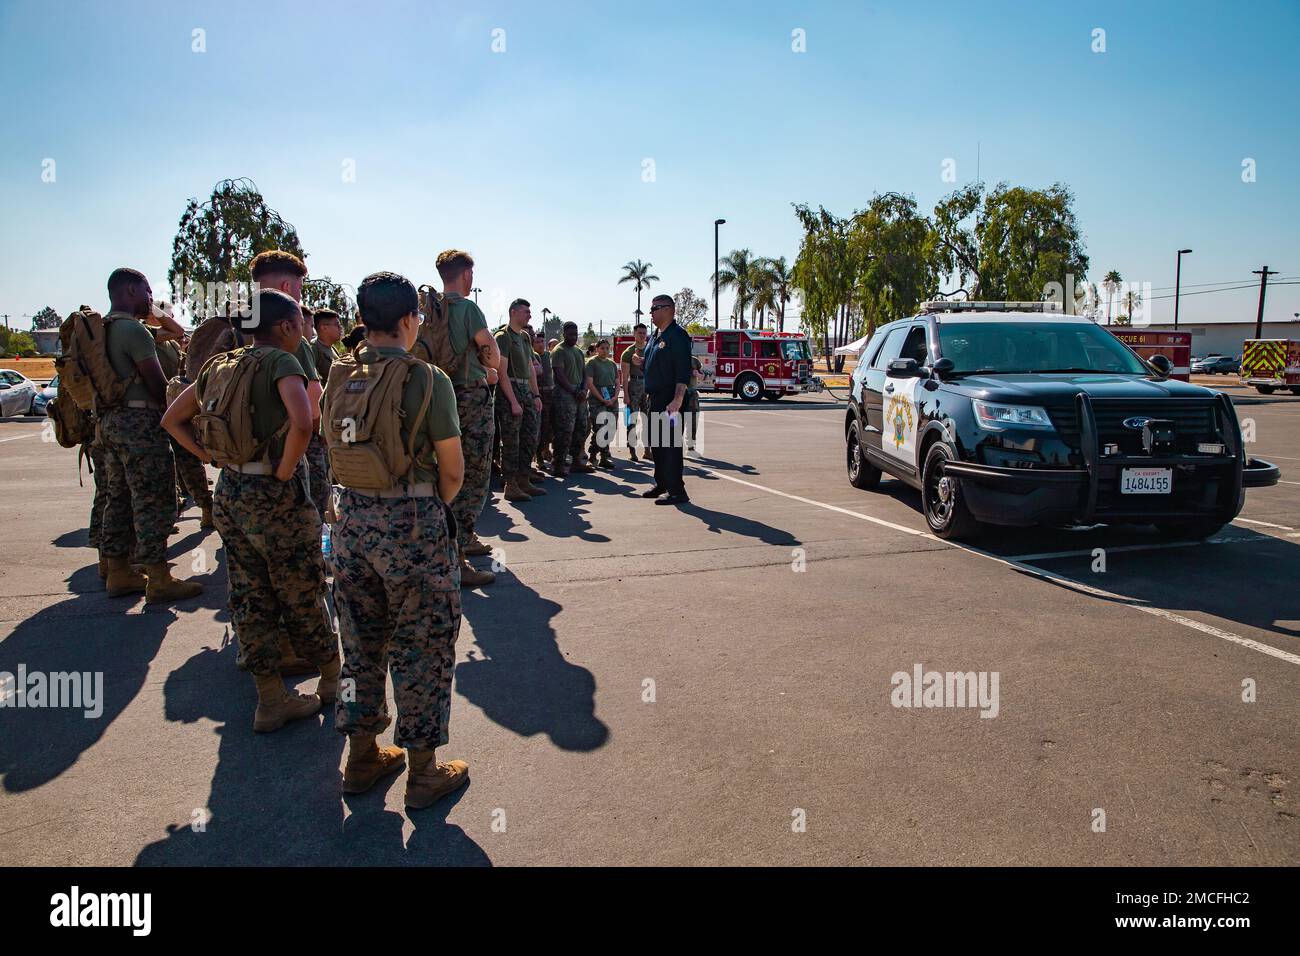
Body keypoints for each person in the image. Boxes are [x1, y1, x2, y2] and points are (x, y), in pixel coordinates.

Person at [162, 288, 340, 733]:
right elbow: (304, 421)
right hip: (274, 497)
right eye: (299, 321)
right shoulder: (283, 362)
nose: (303, 329)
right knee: (302, 587)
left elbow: (171, 419)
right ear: (285, 327)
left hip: (231, 492)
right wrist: (283, 469)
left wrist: (209, 458)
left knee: (250, 594)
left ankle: (270, 699)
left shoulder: (219, 365)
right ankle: (334, 679)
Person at [325, 272, 470, 807]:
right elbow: (452, 471)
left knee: (360, 646)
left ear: (363, 319)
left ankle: (360, 758)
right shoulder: (428, 380)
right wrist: (427, 509)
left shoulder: (340, 374)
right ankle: (424, 772)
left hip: (351, 523)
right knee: (423, 648)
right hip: (413, 526)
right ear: (411, 319)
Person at [98, 268, 205, 602]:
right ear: (131, 290)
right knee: (154, 497)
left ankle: (116, 568)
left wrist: (154, 310)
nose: (150, 299)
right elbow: (159, 386)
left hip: (110, 423)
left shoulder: (103, 329)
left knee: (118, 496)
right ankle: (158, 576)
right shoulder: (134, 331)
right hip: (140, 423)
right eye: (146, 292)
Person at [430, 250, 502, 589]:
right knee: (473, 472)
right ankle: (456, 557)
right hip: (471, 396)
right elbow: (489, 347)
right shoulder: (468, 309)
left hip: (440, 396)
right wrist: (490, 367)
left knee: (446, 468)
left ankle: (463, 536)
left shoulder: (429, 309)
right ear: (467, 275)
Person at [147, 301, 213, 529]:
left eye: (170, 313)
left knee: (190, 462)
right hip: (153, 412)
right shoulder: (148, 337)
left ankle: (206, 505)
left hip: (175, 407)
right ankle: (167, 516)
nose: (168, 317)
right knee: (161, 470)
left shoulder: (173, 346)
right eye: (163, 314)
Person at [641, 294, 692, 505]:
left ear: (668, 309)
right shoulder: (656, 336)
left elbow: (683, 372)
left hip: (670, 400)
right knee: (657, 444)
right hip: (655, 398)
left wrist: (677, 400)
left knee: (669, 445)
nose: (651, 312)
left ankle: (677, 491)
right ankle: (661, 483)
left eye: (654, 308)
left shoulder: (677, 336)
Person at [495, 299, 545, 502]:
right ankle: (511, 484)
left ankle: (524, 479)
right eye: (526, 311)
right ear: (513, 312)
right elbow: (501, 372)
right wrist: (513, 402)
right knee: (511, 441)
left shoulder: (524, 337)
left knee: (529, 437)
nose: (529, 315)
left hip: (526, 389)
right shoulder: (503, 337)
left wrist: (536, 394)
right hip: (511, 390)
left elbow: (531, 368)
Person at [549, 322, 595, 477]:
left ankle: (576, 461)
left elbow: (583, 372)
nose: (574, 337)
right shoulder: (559, 351)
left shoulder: (578, 351)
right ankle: (558, 464)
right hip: (564, 395)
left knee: (582, 427)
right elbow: (559, 375)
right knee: (564, 430)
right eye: (571, 334)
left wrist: (583, 389)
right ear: (564, 334)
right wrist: (574, 390)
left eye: (576, 334)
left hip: (579, 395)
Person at [585, 339, 619, 468]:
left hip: (611, 398)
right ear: (597, 349)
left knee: (611, 428)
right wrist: (602, 399)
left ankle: (604, 458)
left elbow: (617, 382)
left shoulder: (612, 364)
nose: (605, 351)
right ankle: (593, 456)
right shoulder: (592, 363)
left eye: (607, 348)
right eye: (602, 348)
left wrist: (615, 397)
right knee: (600, 428)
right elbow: (590, 383)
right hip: (597, 400)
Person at [620, 323, 649, 460]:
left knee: (648, 419)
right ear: (634, 334)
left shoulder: (650, 349)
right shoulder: (628, 352)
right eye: (640, 333)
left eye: (644, 333)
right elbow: (624, 377)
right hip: (634, 386)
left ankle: (647, 450)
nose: (642, 335)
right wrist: (625, 394)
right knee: (632, 420)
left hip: (648, 386)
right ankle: (632, 450)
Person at [532, 331, 555, 470]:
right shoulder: (533, 357)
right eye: (537, 342)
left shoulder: (549, 356)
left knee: (550, 427)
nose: (540, 344)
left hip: (551, 393)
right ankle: (539, 457)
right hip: (539, 394)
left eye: (542, 342)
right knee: (541, 427)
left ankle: (546, 450)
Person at [312, 308, 343, 381]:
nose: (340, 328)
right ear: (324, 328)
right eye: (337, 324)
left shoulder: (333, 349)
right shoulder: (313, 349)